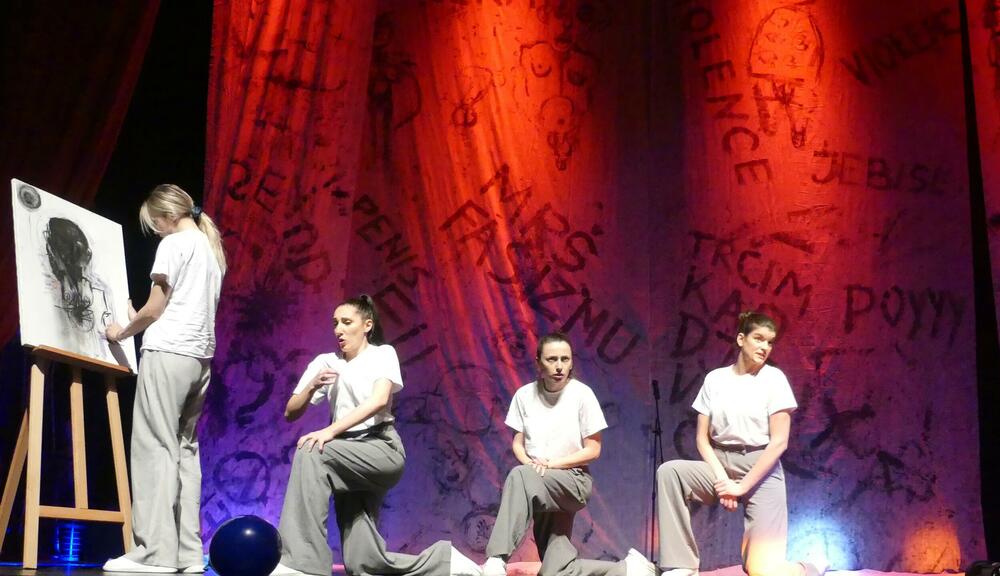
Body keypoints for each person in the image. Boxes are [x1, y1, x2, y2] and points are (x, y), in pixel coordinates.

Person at [270, 295, 482, 576]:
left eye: (347, 322)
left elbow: (379, 400)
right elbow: (290, 411)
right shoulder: (326, 362)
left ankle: (302, 563)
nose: (339, 329)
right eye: (335, 323)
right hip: (344, 457)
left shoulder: (382, 354)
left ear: (367, 325)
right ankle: (446, 563)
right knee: (363, 562)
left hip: (380, 449)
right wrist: (311, 386)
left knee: (311, 452)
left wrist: (330, 430)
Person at [103, 184, 226, 573]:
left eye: (154, 222)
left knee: (154, 448)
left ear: (168, 215)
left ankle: (153, 553)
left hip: (169, 352)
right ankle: (188, 554)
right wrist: (139, 316)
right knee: (184, 451)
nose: (155, 230)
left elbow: (155, 309)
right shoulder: (210, 250)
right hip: (199, 359)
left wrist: (122, 331)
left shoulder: (174, 244)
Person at [656, 312, 827, 576]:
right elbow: (702, 439)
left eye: (770, 342)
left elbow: (779, 443)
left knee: (761, 570)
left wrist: (740, 487)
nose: (764, 347)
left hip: (761, 468)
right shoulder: (715, 379)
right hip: (720, 462)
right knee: (670, 472)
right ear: (740, 339)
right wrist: (723, 480)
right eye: (758, 339)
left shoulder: (774, 379)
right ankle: (682, 565)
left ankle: (810, 568)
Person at [481, 332, 655, 576]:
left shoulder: (582, 394)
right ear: (538, 363)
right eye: (552, 359)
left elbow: (593, 449)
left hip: (573, 481)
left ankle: (496, 558)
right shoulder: (524, 395)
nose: (559, 366)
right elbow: (518, 443)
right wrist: (532, 464)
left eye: (565, 359)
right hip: (539, 480)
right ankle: (630, 569)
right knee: (557, 571)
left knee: (519, 476)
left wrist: (551, 464)